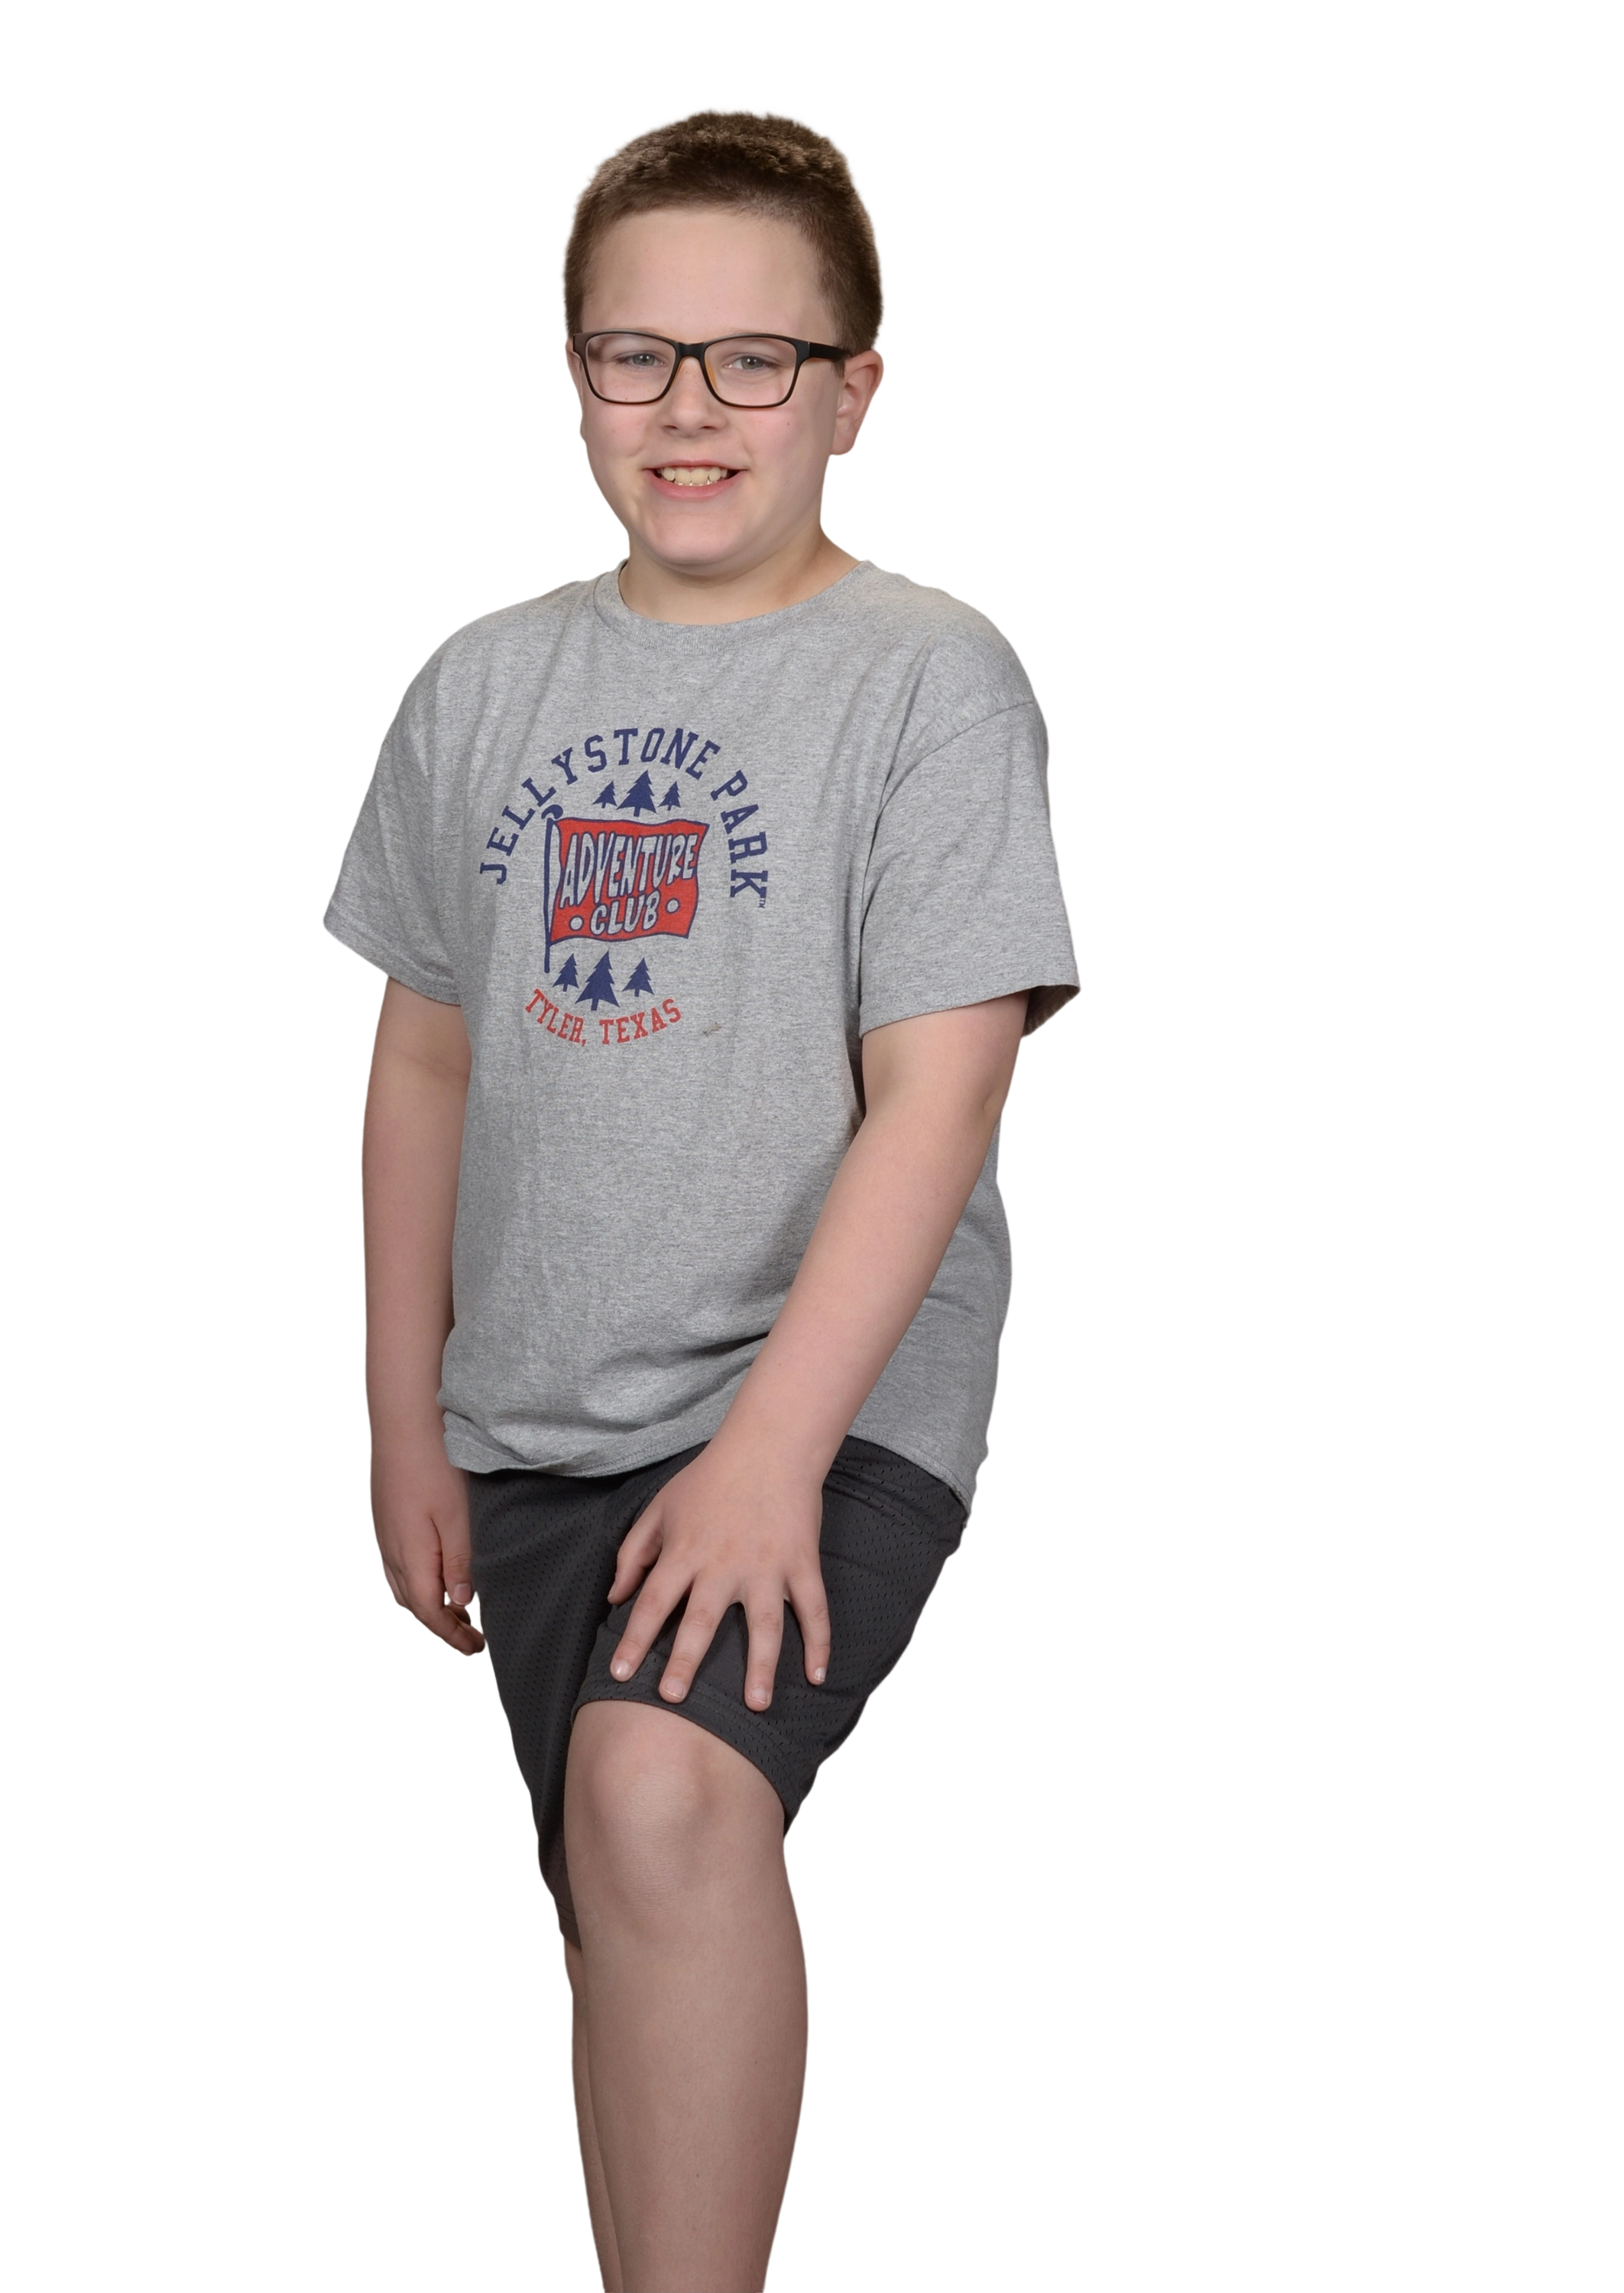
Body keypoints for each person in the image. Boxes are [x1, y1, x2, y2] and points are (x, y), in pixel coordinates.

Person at [321, 102, 1082, 2293]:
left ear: (856, 389)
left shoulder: (927, 676)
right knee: (618, 1881)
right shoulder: (485, 683)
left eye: (757, 359)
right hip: (540, 1399)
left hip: (821, 1397)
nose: (692, 408)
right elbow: (427, 1056)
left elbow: (940, 1091)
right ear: (575, 374)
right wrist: (405, 1414)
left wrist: (766, 1459)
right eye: (636, 354)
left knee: (660, 1799)